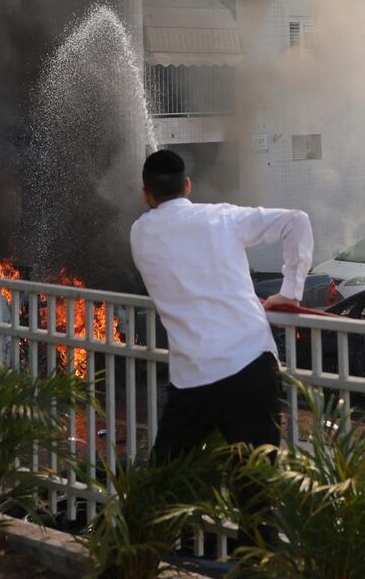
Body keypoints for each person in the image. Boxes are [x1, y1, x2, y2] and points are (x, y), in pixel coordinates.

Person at [129, 149, 311, 518]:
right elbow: (297, 221)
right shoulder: (221, 218)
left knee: (157, 486)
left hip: (192, 379)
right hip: (249, 369)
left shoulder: (139, 233)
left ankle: (128, 561)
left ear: (145, 194)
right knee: (256, 494)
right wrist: (290, 292)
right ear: (188, 185)